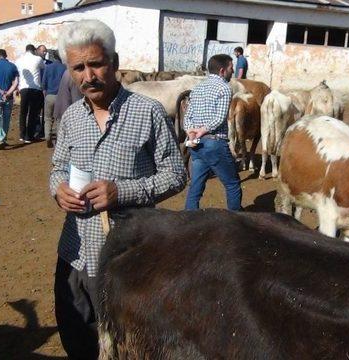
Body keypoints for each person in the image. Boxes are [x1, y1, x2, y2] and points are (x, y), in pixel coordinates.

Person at [49, 19, 186, 359]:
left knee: (127, 348)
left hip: (128, 260)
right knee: (76, 339)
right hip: (74, 255)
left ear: (115, 62)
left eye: (96, 64)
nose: (88, 76)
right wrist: (58, 189)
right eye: (78, 68)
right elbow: (56, 169)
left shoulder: (148, 112)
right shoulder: (71, 119)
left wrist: (121, 192)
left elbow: (176, 173)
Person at [183, 54, 241, 210]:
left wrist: (191, 133)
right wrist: (202, 131)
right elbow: (220, 118)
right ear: (222, 70)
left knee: (196, 186)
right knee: (232, 184)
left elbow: (187, 117)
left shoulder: (197, 88)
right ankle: (235, 222)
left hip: (196, 145)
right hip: (215, 144)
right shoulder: (224, 88)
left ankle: (188, 218)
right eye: (231, 68)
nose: (233, 71)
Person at [15, 44, 45, 143]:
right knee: (32, 113)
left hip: (23, 88)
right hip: (35, 88)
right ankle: (29, 136)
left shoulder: (19, 60)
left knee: (23, 112)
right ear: (34, 50)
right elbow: (43, 68)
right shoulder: (38, 59)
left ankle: (22, 134)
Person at [41, 50, 67, 148]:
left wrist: (45, 96)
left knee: (47, 118)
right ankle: (58, 139)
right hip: (61, 96)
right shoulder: (64, 68)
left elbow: (43, 84)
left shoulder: (48, 68)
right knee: (59, 119)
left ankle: (48, 136)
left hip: (49, 96)